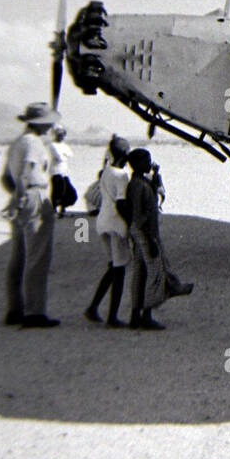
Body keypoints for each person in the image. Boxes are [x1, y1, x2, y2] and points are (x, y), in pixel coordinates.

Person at [2, 102, 61, 328]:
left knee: (19, 257)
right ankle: (35, 312)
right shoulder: (33, 143)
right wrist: (25, 196)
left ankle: (14, 309)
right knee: (37, 257)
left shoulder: (17, 143)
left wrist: (16, 198)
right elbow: (26, 172)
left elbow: (7, 177)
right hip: (34, 196)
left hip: (22, 198)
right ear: (41, 123)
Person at [126, 148, 193, 329]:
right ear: (138, 164)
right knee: (154, 272)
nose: (150, 163)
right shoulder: (139, 186)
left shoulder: (139, 182)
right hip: (145, 231)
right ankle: (147, 314)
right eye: (146, 160)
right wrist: (149, 240)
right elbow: (140, 216)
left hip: (141, 231)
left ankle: (135, 314)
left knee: (140, 273)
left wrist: (156, 177)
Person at [84, 135, 132, 326]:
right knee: (119, 271)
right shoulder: (121, 175)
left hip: (102, 223)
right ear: (126, 155)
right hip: (116, 225)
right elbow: (121, 203)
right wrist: (130, 222)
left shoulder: (105, 172)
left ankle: (93, 307)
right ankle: (112, 317)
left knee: (113, 267)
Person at [49, 126, 77, 216]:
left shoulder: (64, 145)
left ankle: (63, 207)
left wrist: (64, 155)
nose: (61, 136)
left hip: (64, 171)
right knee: (57, 190)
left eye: (62, 135)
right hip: (56, 171)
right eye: (59, 134)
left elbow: (71, 154)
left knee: (68, 191)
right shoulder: (52, 145)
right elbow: (58, 157)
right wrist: (64, 155)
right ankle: (54, 209)